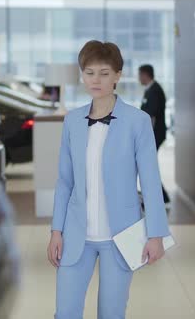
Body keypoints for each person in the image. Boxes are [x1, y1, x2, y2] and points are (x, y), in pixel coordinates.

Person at [47, 40, 171, 319]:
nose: (96, 80)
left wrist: (156, 235)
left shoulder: (137, 121)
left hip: (121, 235)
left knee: (111, 314)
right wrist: (56, 231)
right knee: (65, 313)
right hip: (76, 234)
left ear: (117, 75)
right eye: (89, 72)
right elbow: (65, 181)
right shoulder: (73, 121)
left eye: (104, 73)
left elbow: (150, 181)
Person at [138, 64, 171, 208]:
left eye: (139, 75)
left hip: (154, 135)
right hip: (152, 135)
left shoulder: (154, 91)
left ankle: (158, 198)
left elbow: (151, 117)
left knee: (148, 166)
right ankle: (160, 197)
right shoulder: (149, 90)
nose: (138, 78)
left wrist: (147, 138)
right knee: (148, 166)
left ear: (145, 75)